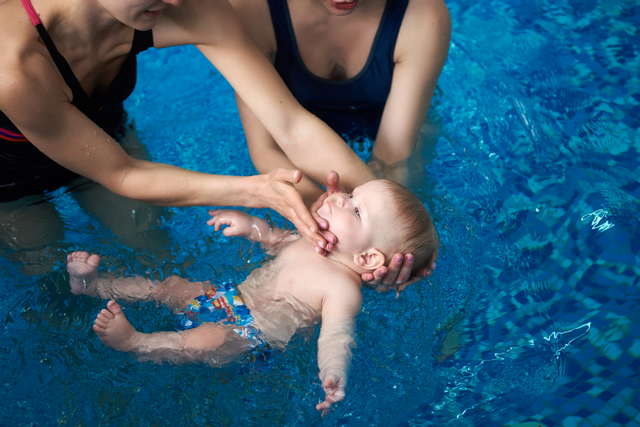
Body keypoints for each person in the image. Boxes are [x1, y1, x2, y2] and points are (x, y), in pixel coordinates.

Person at [0, 0, 377, 255]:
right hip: (14, 184)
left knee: (155, 250)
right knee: (51, 279)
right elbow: (122, 173)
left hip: (106, 138)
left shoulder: (175, 5)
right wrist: (256, 191)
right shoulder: (12, 63)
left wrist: (391, 219)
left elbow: (290, 124)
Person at [65, 178, 439, 413]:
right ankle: (94, 285)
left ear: (369, 258)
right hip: (227, 295)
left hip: (249, 336)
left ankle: (135, 342)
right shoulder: (308, 239)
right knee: (171, 286)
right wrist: (250, 227)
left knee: (204, 340)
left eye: (356, 209)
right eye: (352, 193)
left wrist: (332, 372)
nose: (339, 197)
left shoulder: (342, 288)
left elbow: (337, 336)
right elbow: (274, 239)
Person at [230, 0, 451, 194]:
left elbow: (392, 157)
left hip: (393, 128)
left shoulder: (422, 13)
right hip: (289, 133)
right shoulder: (252, 10)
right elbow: (266, 149)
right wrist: (322, 215)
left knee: (410, 211)